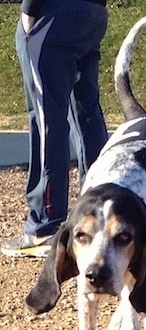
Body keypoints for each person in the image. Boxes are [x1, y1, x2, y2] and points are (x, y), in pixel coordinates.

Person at [1, 0, 108, 258]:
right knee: (87, 116)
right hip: (94, 14)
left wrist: (29, 10)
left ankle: (45, 223)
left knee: (46, 120)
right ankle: (100, 210)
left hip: (52, 17)